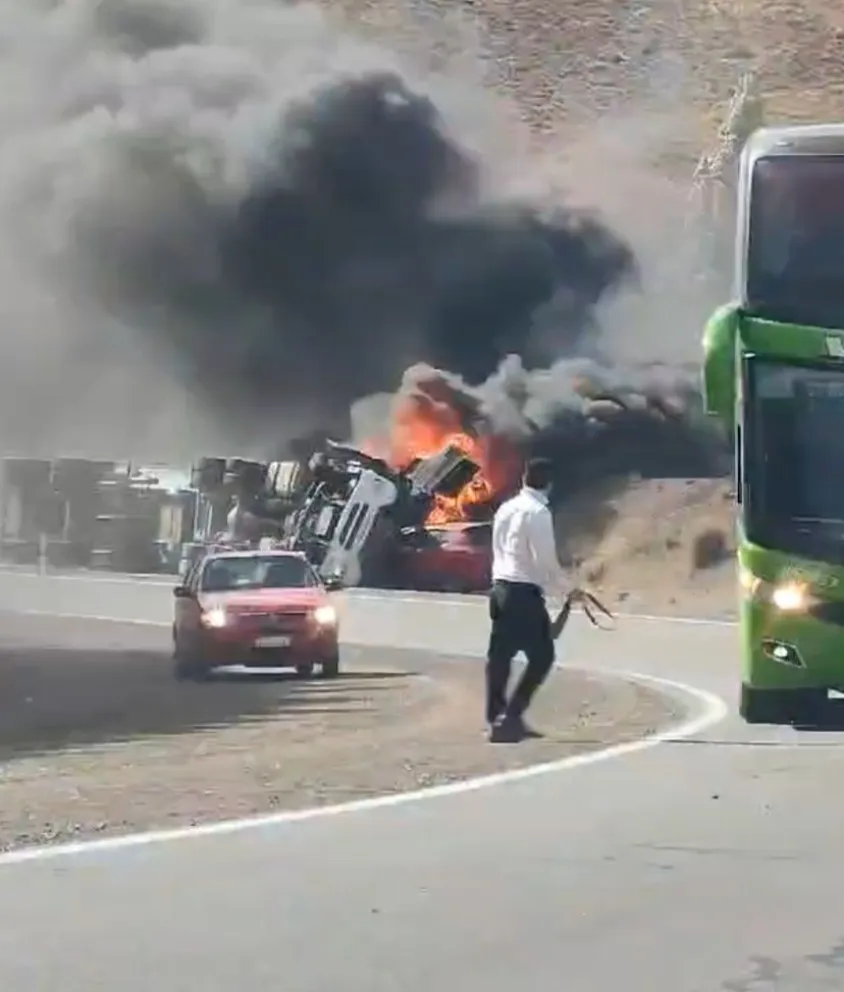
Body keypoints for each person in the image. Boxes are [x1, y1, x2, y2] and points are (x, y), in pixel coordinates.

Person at [486, 457, 568, 743]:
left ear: (524, 479)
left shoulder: (506, 508)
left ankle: (497, 717)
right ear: (549, 484)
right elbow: (545, 560)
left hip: (500, 588)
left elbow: (497, 550)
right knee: (542, 657)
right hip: (524, 592)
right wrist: (567, 589)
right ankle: (512, 715)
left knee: (499, 657)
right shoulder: (539, 512)